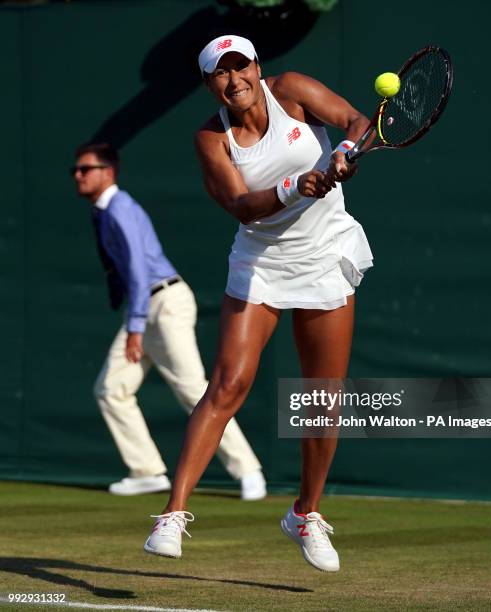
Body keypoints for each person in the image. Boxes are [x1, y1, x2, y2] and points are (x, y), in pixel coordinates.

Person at [143, 35, 373, 572]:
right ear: (208, 85)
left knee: (323, 399)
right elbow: (243, 206)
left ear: (256, 66)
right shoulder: (210, 138)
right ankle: (172, 515)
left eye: (240, 66)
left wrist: (343, 151)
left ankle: (305, 514)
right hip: (262, 263)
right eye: (220, 73)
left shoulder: (291, 91)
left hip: (324, 254)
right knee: (228, 384)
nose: (234, 79)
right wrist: (298, 185)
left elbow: (357, 121)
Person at [72, 142, 267, 501]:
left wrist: (135, 327)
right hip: (146, 307)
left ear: (108, 172)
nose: (78, 176)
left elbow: (136, 269)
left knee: (194, 389)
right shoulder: (102, 211)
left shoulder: (119, 210)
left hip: (163, 304)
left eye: (86, 169)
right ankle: (146, 470)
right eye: (76, 170)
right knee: (111, 388)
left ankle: (249, 470)